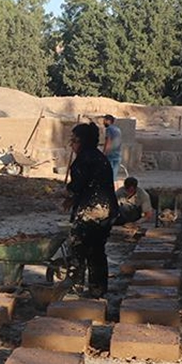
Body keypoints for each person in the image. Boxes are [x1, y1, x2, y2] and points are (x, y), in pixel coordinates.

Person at [63, 123, 119, 299]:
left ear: (82, 141)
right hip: (107, 210)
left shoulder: (82, 160)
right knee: (97, 251)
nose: (72, 145)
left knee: (78, 248)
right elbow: (93, 185)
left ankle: (74, 288)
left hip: (91, 211)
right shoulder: (100, 158)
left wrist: (69, 193)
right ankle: (98, 289)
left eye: (74, 141)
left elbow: (77, 186)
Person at [102, 115, 123, 187]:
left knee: (108, 175)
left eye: (104, 120)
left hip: (110, 154)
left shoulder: (109, 129)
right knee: (114, 175)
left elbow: (108, 141)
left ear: (108, 121)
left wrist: (104, 153)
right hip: (118, 154)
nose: (103, 122)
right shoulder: (118, 129)